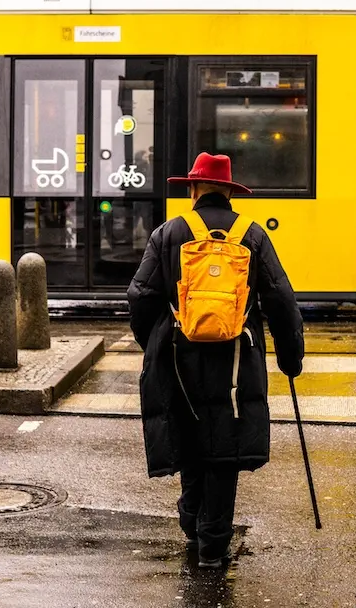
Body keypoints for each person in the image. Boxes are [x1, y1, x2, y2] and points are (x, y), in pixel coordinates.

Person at [127, 152, 304, 570]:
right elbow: (281, 302)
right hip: (237, 361)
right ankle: (214, 546)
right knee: (224, 449)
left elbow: (140, 297)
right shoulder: (252, 235)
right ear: (228, 190)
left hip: (178, 356)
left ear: (192, 189)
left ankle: (191, 520)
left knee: (188, 437)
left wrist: (152, 345)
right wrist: (290, 359)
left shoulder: (169, 233)